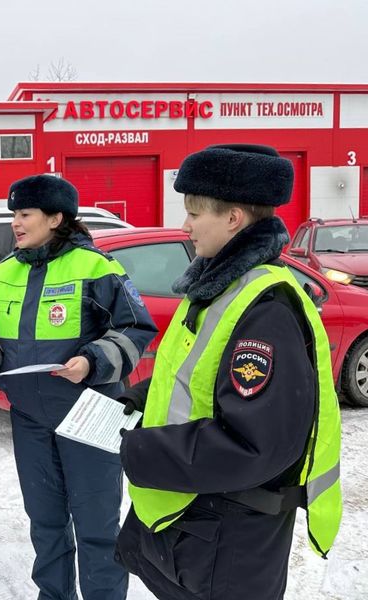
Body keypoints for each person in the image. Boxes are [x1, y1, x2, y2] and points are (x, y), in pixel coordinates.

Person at [115, 144, 342, 600]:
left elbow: (253, 446)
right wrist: (131, 405)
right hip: (199, 525)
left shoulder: (266, 309)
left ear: (233, 219)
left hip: (229, 540)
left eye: (194, 213)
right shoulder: (216, 288)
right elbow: (187, 379)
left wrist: (141, 449)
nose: (185, 226)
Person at [0, 174, 158, 600]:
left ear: (55, 217)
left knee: (97, 526)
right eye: (14, 213)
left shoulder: (96, 268)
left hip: (92, 415)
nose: (15, 222)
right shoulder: (2, 275)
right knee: (45, 522)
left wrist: (92, 360)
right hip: (31, 419)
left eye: (25, 213)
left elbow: (135, 328)